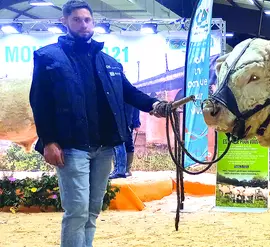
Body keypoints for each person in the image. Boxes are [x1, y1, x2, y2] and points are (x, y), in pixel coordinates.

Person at [29, 1, 168, 246]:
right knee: (77, 211)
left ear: (93, 22)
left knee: (93, 210)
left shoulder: (109, 62)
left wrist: (155, 105)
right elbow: (39, 103)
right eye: (77, 19)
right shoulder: (48, 57)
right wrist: (49, 141)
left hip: (104, 148)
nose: (83, 24)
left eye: (87, 20)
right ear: (65, 22)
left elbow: (129, 92)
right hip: (72, 148)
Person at [109, 104, 140, 179]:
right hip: (124, 120)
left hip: (124, 120)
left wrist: (136, 122)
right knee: (121, 144)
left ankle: (121, 171)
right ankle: (121, 170)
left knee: (119, 143)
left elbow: (136, 106)